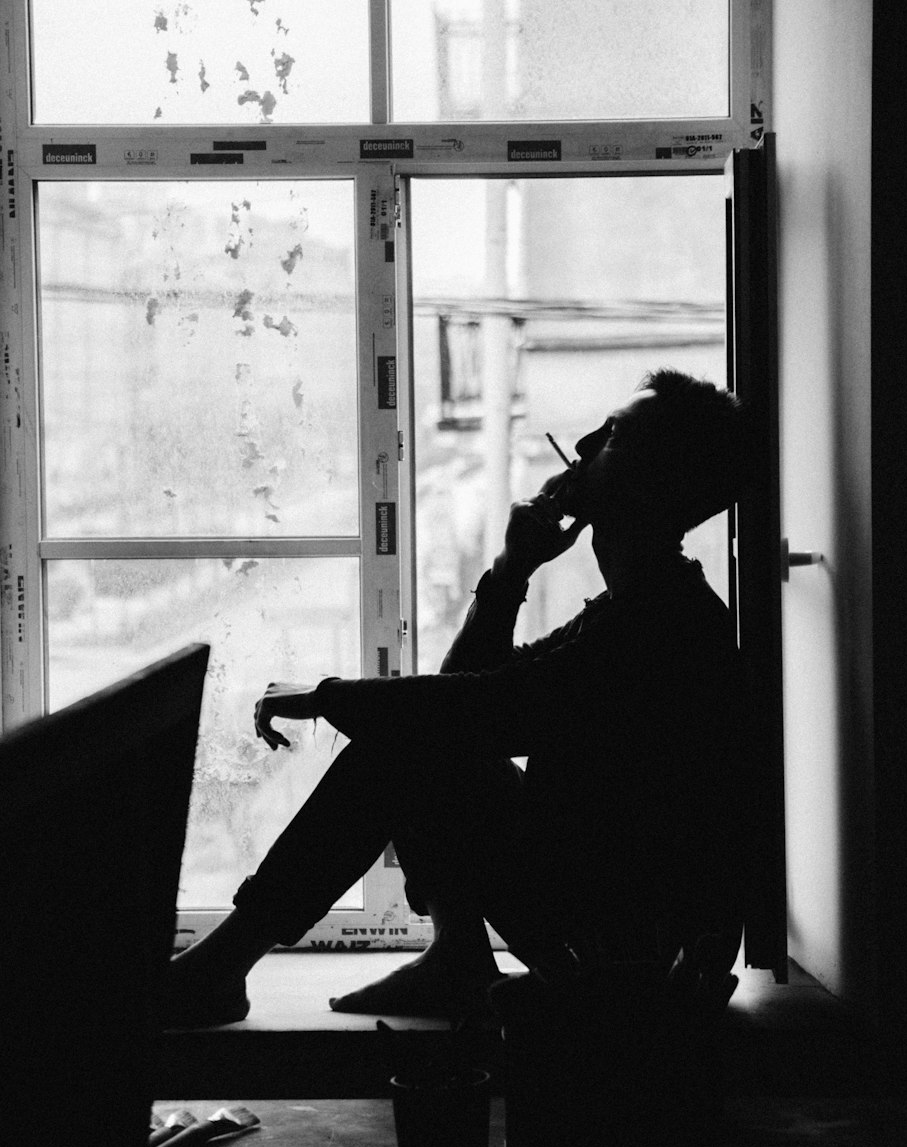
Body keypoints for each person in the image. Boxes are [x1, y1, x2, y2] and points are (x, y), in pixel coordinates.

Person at [165, 368, 749, 1027]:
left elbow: (485, 709)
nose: (585, 444)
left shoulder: (662, 626)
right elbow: (470, 690)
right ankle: (454, 958)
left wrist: (327, 697)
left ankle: (226, 968)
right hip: (599, 912)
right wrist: (512, 570)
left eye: (615, 436)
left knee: (408, 737)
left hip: (627, 958)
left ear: (661, 483)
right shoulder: (634, 609)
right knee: (415, 735)